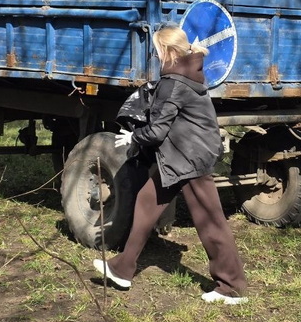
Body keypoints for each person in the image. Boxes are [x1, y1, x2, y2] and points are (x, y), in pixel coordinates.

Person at [94, 25, 248, 304]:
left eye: (157, 50)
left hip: (189, 157)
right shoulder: (188, 74)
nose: (155, 55)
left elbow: (156, 131)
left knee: (210, 221)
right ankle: (123, 268)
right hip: (183, 154)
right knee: (146, 202)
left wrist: (133, 136)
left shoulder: (174, 83)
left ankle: (231, 287)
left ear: (167, 51)